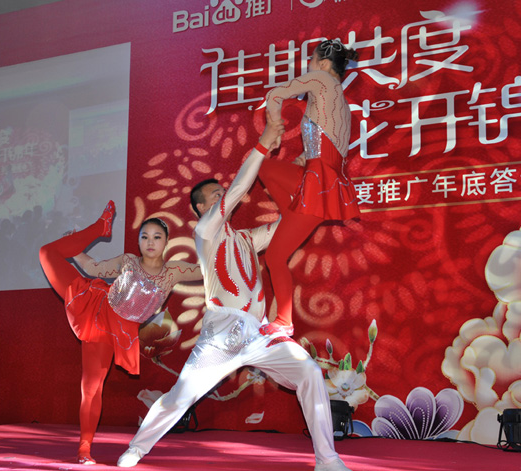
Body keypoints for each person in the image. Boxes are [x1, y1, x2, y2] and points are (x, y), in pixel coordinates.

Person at [116, 117, 351, 471]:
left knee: (309, 372)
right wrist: (264, 143)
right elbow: (239, 188)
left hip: (259, 333)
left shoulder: (246, 239)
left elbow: (289, 223)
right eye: (215, 195)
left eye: (220, 193)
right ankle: (136, 449)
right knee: (180, 397)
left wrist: (305, 178)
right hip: (220, 335)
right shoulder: (205, 233)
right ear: (201, 208)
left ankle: (327, 460)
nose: (222, 196)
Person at [38, 204, 201, 465]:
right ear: (138, 241)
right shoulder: (128, 261)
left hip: (117, 331)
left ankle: (84, 448)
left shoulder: (173, 271)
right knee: (47, 252)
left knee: (93, 387)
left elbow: (208, 270)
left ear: (166, 241)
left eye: (156, 237)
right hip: (95, 307)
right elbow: (92, 268)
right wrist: (75, 246)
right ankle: (84, 450)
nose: (150, 242)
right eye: (145, 237)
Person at [259, 38, 360, 337]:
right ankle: (289, 213)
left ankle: (284, 321)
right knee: (267, 168)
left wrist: (274, 131)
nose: (308, 67)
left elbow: (275, 94)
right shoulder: (340, 101)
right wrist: (303, 157)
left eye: (312, 61)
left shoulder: (320, 80)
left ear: (323, 64)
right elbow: (324, 150)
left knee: (274, 257)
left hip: (318, 186)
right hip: (322, 182)